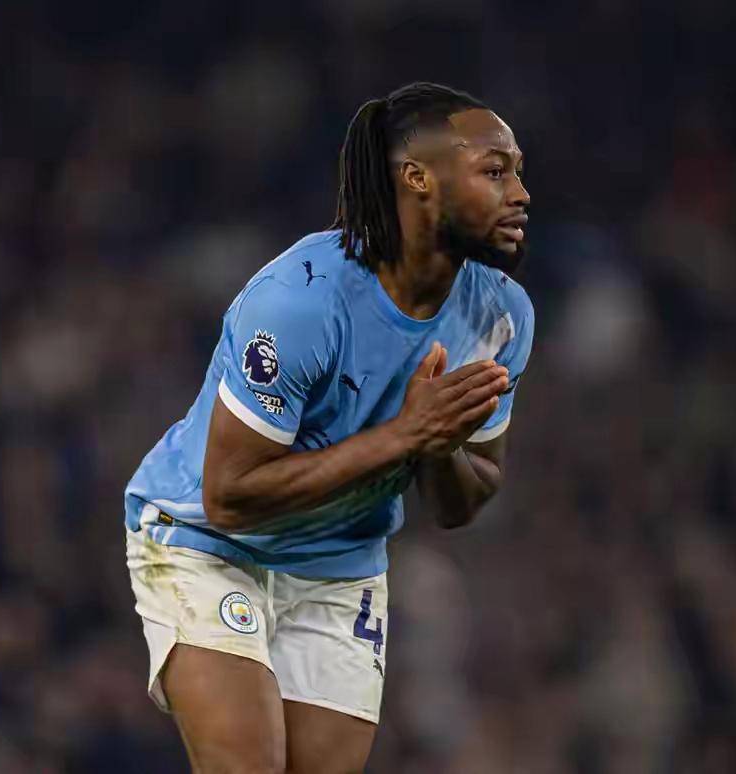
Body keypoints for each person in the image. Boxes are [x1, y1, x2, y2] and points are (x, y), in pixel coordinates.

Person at [124, 81, 534, 773]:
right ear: (419, 180)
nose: (520, 193)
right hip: (207, 544)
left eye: (518, 172)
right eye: (495, 172)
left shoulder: (501, 317)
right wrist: (406, 436)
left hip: (340, 567)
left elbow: (462, 502)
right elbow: (228, 495)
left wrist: (438, 447)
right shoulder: (302, 302)